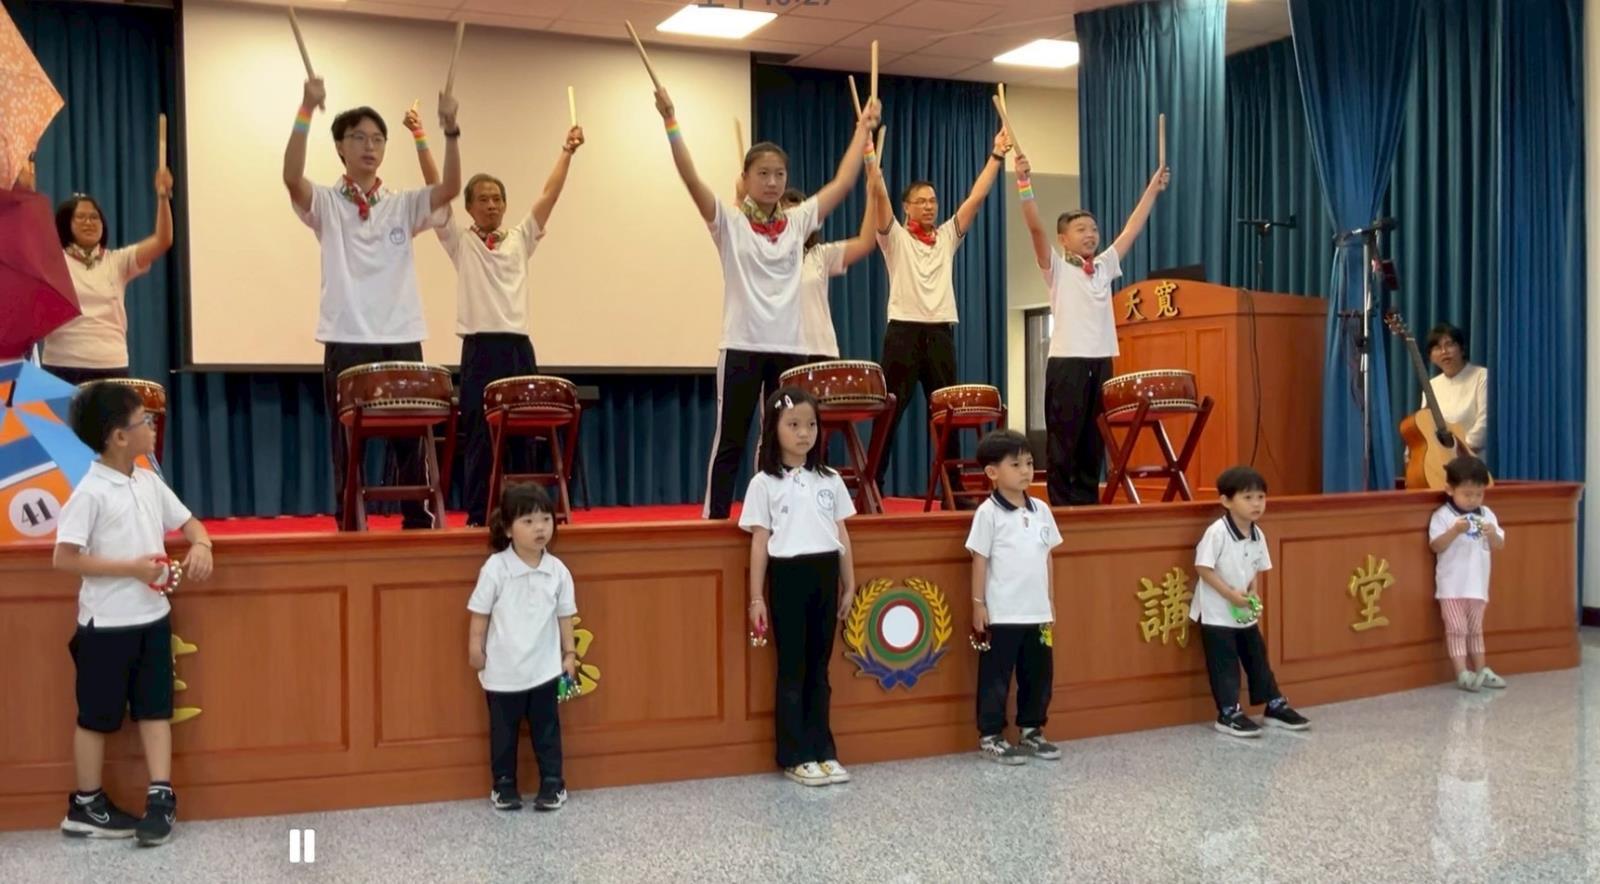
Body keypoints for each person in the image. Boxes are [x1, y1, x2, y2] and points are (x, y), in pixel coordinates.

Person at [646, 83, 880, 520]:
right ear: (746, 178)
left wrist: (862, 128)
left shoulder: (797, 222)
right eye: (763, 174)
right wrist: (671, 121)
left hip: (789, 351)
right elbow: (691, 179)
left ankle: (778, 516)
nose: (773, 183)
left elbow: (843, 182)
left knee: (783, 440)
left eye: (779, 175)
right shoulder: (729, 222)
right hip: (741, 345)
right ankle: (715, 520)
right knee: (731, 439)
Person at [282, 78, 462, 530]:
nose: (369, 146)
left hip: (401, 335)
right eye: (359, 137)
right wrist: (305, 108)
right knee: (348, 440)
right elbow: (291, 178)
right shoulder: (327, 202)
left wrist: (450, 130)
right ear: (340, 147)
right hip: (347, 337)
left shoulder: (401, 204)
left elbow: (449, 189)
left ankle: (417, 516)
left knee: (410, 435)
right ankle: (350, 520)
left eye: (378, 139)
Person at [406, 106, 586, 526]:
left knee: (523, 437)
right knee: (479, 438)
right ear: (469, 206)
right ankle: (478, 515)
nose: (491, 205)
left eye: (497, 198)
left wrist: (567, 151)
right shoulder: (460, 241)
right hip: (479, 350)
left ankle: (525, 513)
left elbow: (549, 195)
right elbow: (436, 186)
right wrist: (419, 137)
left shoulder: (520, 238)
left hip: (518, 348)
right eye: (483, 199)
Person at [52, 381, 214, 845]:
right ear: (119, 437)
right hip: (105, 626)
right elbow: (64, 558)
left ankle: (160, 796)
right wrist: (132, 569)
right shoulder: (90, 492)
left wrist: (201, 544)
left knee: (155, 709)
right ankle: (86, 805)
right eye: (144, 420)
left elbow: (189, 522)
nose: (152, 426)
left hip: (152, 619)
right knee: (96, 716)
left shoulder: (147, 481)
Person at [1016, 153, 1168, 506]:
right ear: (1063, 239)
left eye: (1094, 229)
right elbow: (1035, 228)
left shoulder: (1104, 265)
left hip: (1101, 362)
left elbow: (1132, 228)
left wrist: (1153, 189)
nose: (1090, 234)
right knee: (1064, 438)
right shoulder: (1056, 267)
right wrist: (1024, 183)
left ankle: (1087, 502)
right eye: (1081, 229)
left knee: (1093, 439)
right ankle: (1061, 505)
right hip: (1067, 362)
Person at [865, 126, 1009, 497]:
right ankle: (872, 486)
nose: (929, 206)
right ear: (907, 207)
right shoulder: (894, 237)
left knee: (948, 415)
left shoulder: (946, 237)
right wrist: (871, 165)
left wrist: (996, 155)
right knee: (890, 413)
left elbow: (976, 197)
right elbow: (879, 198)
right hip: (903, 332)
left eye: (933, 200)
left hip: (941, 333)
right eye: (921, 201)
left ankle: (953, 489)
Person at [740, 386, 857, 786]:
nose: (804, 433)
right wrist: (756, 597)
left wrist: (849, 583)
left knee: (820, 669)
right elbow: (759, 541)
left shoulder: (830, 479)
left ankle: (823, 749)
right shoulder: (763, 483)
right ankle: (795, 754)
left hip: (825, 573)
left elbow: (841, 533)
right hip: (787, 576)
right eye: (793, 425)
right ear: (774, 429)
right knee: (793, 668)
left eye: (810, 425)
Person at [467, 482, 577, 811]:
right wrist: (475, 648)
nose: (539, 528)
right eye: (528, 521)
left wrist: (569, 654)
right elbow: (480, 614)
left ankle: (553, 784)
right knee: (503, 733)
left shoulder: (557, 571)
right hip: (502, 672)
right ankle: (503, 785)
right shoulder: (496, 568)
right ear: (507, 529)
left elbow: (565, 616)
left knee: (547, 730)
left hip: (544, 670)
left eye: (545, 519)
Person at [965, 429, 1062, 764]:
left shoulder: (1042, 510)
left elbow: (1047, 557)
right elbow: (980, 559)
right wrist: (978, 605)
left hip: (1037, 613)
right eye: (1016, 464)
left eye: (1030, 463)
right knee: (996, 677)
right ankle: (991, 735)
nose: (1026, 471)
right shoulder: (988, 513)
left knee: (1038, 675)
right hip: (1003, 613)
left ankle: (1032, 730)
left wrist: (1050, 601)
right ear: (992, 472)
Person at [1191, 466, 1310, 737]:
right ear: (1226, 501)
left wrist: (1253, 591)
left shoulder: (1258, 534)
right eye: (1248, 498)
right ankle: (1228, 712)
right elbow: (1203, 568)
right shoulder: (1217, 532)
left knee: (1257, 656)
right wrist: (1230, 595)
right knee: (1225, 663)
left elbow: (1255, 568)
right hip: (1217, 613)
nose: (1256, 504)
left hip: (1243, 611)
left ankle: (1274, 704)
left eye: (1261, 497)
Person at [40, 162, 175, 385]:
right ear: (66, 224)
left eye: (94, 217)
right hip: (61, 364)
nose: (89, 222)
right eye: (80, 217)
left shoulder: (117, 261)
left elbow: (163, 240)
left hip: (111, 364)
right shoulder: (51, 262)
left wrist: (163, 197)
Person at [778, 168, 883, 363]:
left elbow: (865, 243)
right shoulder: (767, 256)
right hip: (783, 351)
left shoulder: (820, 255)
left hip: (822, 350)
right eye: (788, 215)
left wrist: (872, 196)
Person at [1428, 455, 1506, 692]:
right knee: (1457, 629)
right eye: (1467, 494)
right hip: (1452, 587)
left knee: (1475, 629)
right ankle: (1462, 673)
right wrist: (1454, 531)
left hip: (1478, 586)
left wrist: (1492, 533)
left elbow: (1499, 544)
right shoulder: (1443, 515)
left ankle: (1481, 670)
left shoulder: (1487, 514)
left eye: (1479, 494)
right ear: (1450, 490)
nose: (1473, 500)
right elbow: (1436, 546)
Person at [1422, 323, 1489, 463]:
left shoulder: (1481, 376)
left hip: (1473, 463)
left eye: (1450, 344)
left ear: (1462, 349)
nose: (1444, 351)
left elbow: (1484, 424)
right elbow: (1424, 427)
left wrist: (1457, 452)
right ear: (1431, 357)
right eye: (1437, 348)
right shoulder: (1431, 386)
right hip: (1439, 463)